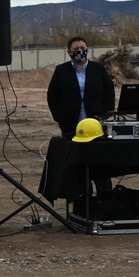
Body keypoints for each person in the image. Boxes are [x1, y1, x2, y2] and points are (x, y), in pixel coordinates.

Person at [46, 36, 115, 198]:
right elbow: (52, 96)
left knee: (100, 166)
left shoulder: (98, 69)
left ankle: (105, 200)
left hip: (97, 127)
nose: (80, 52)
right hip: (72, 127)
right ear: (69, 52)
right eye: (76, 49)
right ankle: (82, 201)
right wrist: (60, 117)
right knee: (76, 165)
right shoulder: (61, 71)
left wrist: (105, 116)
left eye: (82, 48)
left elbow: (109, 93)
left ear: (87, 49)